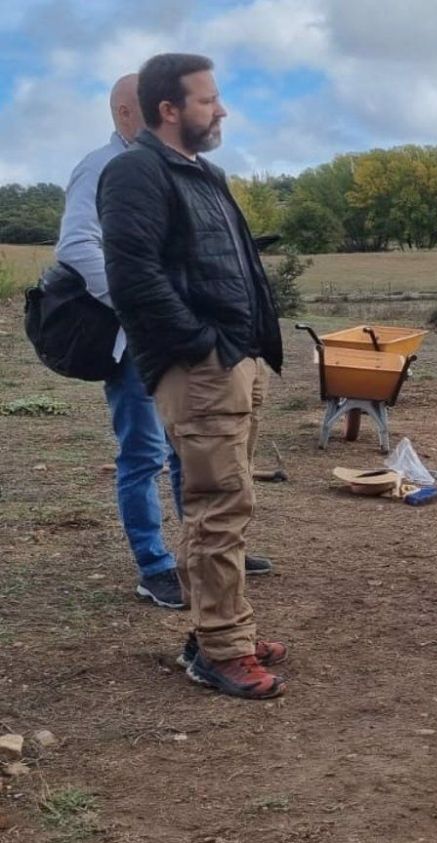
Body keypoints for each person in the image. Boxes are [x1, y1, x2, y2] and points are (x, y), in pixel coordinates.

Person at [98, 53, 287, 699]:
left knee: (230, 503)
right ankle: (221, 649)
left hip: (237, 360)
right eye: (208, 100)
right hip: (203, 367)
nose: (222, 109)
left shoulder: (203, 173)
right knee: (216, 508)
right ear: (169, 110)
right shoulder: (134, 172)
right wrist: (201, 347)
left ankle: (217, 627)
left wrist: (249, 347)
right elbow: (134, 278)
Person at [57, 75, 274, 612]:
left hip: (174, 341)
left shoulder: (168, 170)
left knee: (188, 452)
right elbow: (78, 247)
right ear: (131, 113)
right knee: (144, 453)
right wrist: (150, 312)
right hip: (137, 341)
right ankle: (154, 567)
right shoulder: (104, 166)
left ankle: (200, 555)